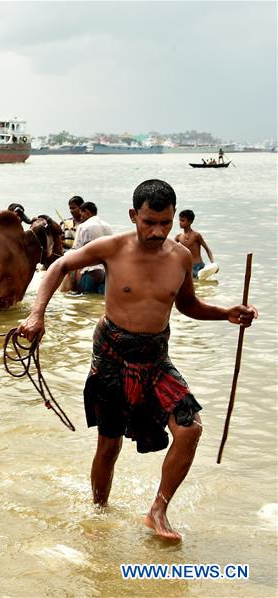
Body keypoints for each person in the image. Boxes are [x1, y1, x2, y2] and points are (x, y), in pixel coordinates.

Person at [17, 179, 257, 541]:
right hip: (112, 353)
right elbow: (59, 267)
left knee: (189, 429)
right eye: (149, 222)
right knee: (109, 443)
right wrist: (37, 314)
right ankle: (98, 513)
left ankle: (157, 511)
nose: (158, 231)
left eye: (165, 222)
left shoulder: (180, 257)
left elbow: (188, 305)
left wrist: (226, 313)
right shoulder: (112, 248)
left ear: (174, 218)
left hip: (156, 356)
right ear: (134, 216)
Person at [71, 201, 113, 294]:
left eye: (82, 215)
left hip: (90, 271)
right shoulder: (108, 226)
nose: (81, 218)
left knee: (86, 300)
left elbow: (76, 251)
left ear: (87, 212)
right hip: (106, 273)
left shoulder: (83, 226)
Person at [174, 210, 215, 278]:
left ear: (190, 222)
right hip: (187, 267)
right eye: (180, 220)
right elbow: (171, 250)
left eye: (183, 220)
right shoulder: (178, 237)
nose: (180, 223)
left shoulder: (196, 235)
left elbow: (207, 249)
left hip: (198, 266)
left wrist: (213, 264)